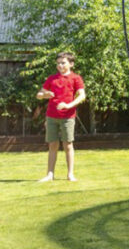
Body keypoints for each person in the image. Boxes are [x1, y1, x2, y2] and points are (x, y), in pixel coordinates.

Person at [35, 52, 85, 182]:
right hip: (51, 116)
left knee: (68, 144)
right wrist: (45, 95)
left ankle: (70, 174)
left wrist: (68, 106)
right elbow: (39, 94)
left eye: (63, 63)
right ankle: (49, 175)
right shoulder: (52, 78)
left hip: (68, 117)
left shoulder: (76, 78)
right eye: (58, 63)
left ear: (71, 64)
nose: (60, 65)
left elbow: (82, 96)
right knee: (52, 145)